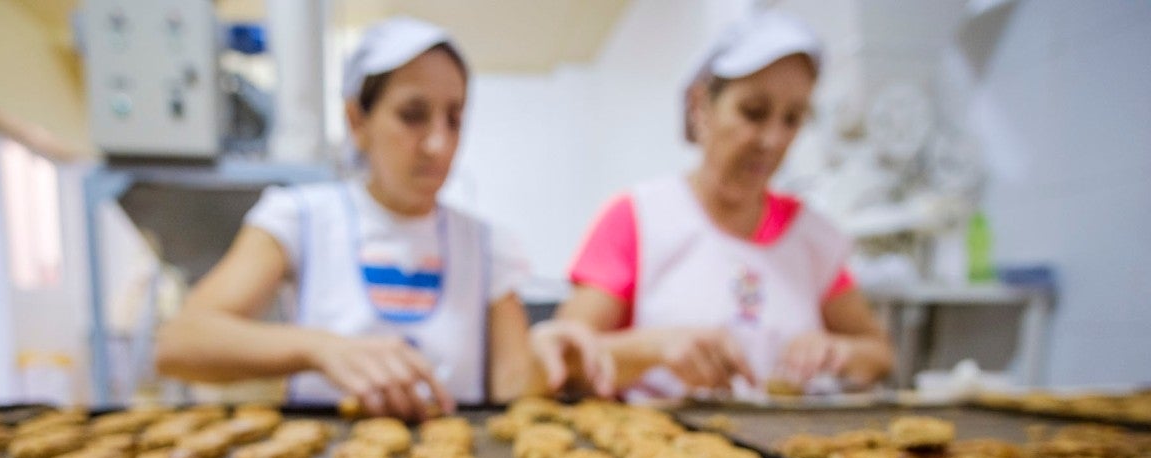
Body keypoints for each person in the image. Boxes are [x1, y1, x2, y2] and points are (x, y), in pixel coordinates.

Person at [155, 17, 609, 419]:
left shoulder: (488, 245)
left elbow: (511, 389)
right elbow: (181, 343)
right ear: (357, 120)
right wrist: (320, 348)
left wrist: (549, 356)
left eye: (454, 118)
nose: (439, 144)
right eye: (413, 115)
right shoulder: (301, 218)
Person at [556, 10, 893, 399]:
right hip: (666, 448)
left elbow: (879, 353)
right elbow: (566, 359)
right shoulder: (639, 218)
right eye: (753, 112)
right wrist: (655, 347)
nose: (772, 139)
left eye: (793, 119)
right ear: (701, 106)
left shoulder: (810, 236)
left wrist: (841, 351)